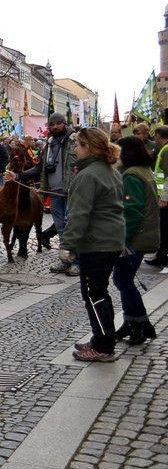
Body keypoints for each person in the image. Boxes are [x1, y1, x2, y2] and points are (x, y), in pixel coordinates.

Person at [62, 129, 125, 363]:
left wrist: (67, 244)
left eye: (78, 145)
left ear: (88, 147)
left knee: (95, 294)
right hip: (109, 240)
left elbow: (79, 214)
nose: (75, 149)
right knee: (98, 292)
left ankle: (104, 346)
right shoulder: (110, 170)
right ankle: (100, 338)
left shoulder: (88, 175)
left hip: (97, 243)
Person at [5, 112, 78, 275]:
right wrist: (18, 176)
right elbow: (39, 167)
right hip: (54, 192)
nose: (55, 127)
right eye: (52, 124)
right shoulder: (49, 143)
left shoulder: (75, 140)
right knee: (61, 228)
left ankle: (77, 262)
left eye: (58, 123)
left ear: (64, 123)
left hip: (72, 192)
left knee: (73, 227)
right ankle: (66, 259)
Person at [110, 136, 160, 346]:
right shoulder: (143, 170)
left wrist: (122, 240)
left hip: (134, 238)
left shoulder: (132, 175)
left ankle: (139, 324)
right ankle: (131, 322)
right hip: (142, 235)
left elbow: (132, 211)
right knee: (124, 280)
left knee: (122, 280)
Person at [146, 125, 168, 266]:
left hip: (165, 198)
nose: (155, 139)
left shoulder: (166, 150)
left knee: (164, 228)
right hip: (163, 195)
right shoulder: (164, 149)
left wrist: (164, 198)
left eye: (156, 136)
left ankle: (162, 256)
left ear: (160, 137)